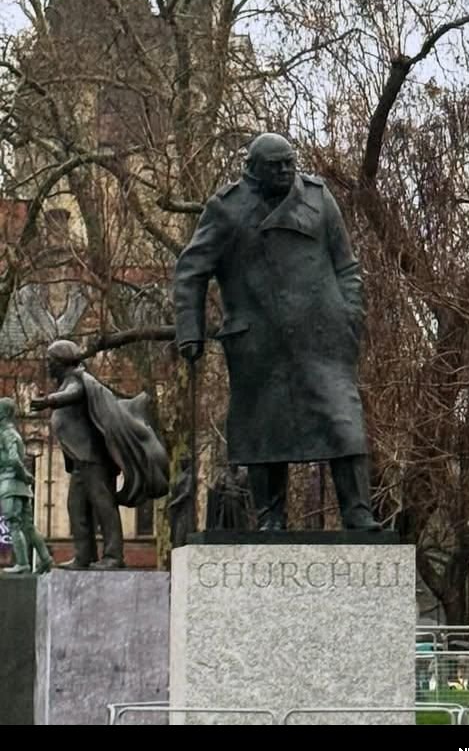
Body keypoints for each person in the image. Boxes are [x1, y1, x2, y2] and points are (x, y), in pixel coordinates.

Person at [173, 133, 377, 532]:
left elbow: (347, 265)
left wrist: (350, 315)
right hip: (259, 342)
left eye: (289, 163)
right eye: (275, 165)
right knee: (264, 430)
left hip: (323, 337)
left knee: (343, 421)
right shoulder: (227, 209)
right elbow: (190, 271)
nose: (285, 170)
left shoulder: (318, 198)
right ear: (253, 168)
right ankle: (270, 517)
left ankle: (357, 512)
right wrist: (190, 331)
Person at [29, 340, 169, 569]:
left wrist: (48, 401)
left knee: (103, 504)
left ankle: (113, 556)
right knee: (77, 507)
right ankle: (84, 555)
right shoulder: (68, 381)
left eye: (50, 360)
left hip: (93, 459)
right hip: (80, 459)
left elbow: (73, 394)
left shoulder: (78, 379)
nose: (47, 365)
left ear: (61, 361)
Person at [0, 398, 53, 574]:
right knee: (28, 527)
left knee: (14, 524)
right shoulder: (13, 433)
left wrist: (24, 474)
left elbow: (14, 459)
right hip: (20, 487)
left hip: (10, 484)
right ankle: (45, 558)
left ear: (4, 413)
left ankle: (22, 563)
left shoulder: (6, 434)